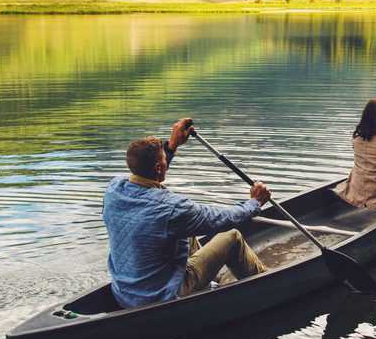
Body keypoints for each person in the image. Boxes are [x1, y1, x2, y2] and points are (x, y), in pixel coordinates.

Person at [104, 117, 269, 309]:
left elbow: (150, 174)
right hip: (163, 294)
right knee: (232, 238)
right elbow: (221, 219)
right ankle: (269, 284)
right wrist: (254, 203)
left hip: (124, 293)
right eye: (165, 160)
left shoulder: (113, 189)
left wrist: (172, 146)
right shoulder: (172, 209)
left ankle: (206, 285)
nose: (167, 161)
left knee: (185, 235)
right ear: (159, 168)